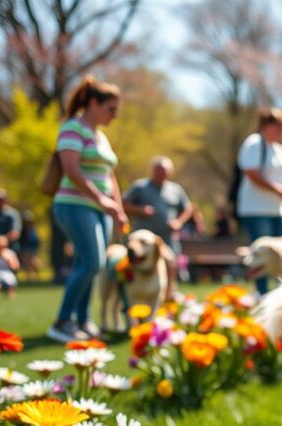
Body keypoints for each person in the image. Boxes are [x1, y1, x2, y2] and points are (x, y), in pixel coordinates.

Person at [47, 75, 128, 343]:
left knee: (92, 264)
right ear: (94, 103)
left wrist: (117, 208)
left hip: (99, 210)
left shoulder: (101, 136)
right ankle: (62, 321)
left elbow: (109, 174)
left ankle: (83, 320)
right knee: (92, 263)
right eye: (111, 109)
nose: (114, 115)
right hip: (74, 205)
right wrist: (100, 199)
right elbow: (71, 167)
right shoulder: (73, 128)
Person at [236, 107, 282, 294]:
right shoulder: (254, 143)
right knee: (262, 256)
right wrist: (276, 189)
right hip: (256, 210)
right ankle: (262, 295)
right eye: (279, 126)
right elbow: (251, 173)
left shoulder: (280, 150)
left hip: (278, 210)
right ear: (266, 126)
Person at [123, 156, 191, 284]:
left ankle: (170, 293)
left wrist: (179, 222)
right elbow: (123, 204)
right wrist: (140, 210)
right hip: (144, 241)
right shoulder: (140, 187)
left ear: (170, 172)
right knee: (140, 264)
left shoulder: (175, 189)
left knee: (170, 263)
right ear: (152, 170)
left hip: (168, 237)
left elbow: (188, 209)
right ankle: (137, 292)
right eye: (158, 170)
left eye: (164, 171)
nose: (161, 173)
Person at [17, 210, 41, 281]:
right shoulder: (22, 229)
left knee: (33, 261)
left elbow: (36, 240)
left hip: (32, 247)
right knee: (26, 262)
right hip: (24, 247)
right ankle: (29, 277)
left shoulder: (33, 229)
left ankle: (36, 276)